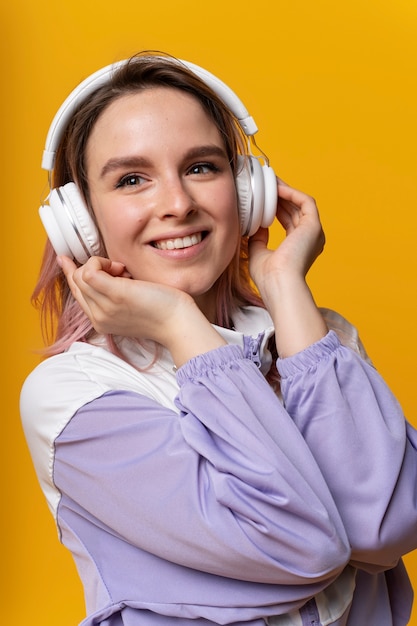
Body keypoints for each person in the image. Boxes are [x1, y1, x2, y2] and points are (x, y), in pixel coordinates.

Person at [20, 51, 417, 626]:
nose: (178, 204)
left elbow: (386, 528)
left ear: (247, 188)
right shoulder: (73, 398)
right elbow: (298, 546)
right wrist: (179, 323)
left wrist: (284, 286)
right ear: (80, 220)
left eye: (202, 167)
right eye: (132, 179)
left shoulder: (317, 339)